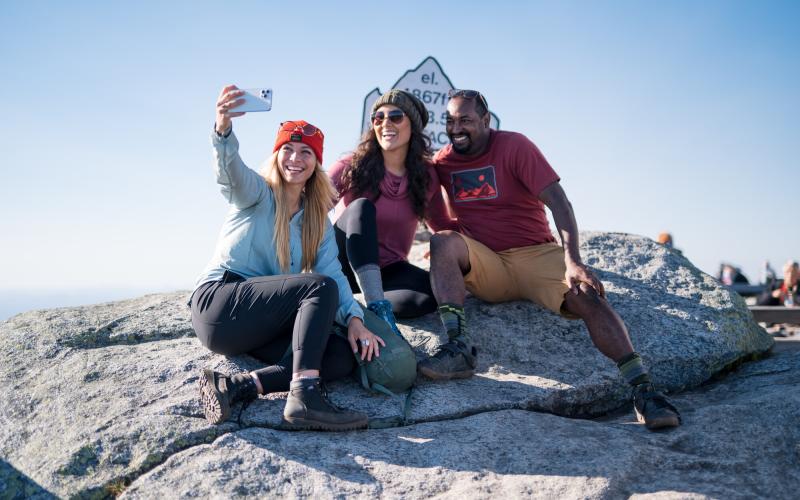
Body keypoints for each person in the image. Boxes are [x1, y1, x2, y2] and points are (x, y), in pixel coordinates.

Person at [418, 89, 681, 430]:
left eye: (465, 120)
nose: (456, 128)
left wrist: (573, 260)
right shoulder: (443, 162)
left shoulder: (514, 146)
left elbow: (559, 202)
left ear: (486, 120)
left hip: (536, 253)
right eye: (450, 121)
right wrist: (452, 252)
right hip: (489, 265)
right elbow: (437, 221)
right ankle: (458, 349)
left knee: (587, 295)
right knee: (442, 243)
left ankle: (644, 393)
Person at [191, 85, 385, 431]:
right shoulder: (257, 194)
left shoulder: (316, 222)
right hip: (220, 304)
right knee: (316, 288)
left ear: (317, 163)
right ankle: (305, 399)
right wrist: (223, 129)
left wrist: (355, 319)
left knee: (339, 356)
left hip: (259, 322)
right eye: (288, 150)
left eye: (306, 153)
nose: (295, 159)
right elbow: (229, 173)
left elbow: (334, 275)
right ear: (277, 155)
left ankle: (238, 386)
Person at [328, 90, 456, 334]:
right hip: (341, 263)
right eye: (378, 117)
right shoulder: (350, 166)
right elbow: (311, 209)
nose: (385, 123)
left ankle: (360, 306)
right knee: (361, 208)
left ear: (413, 126)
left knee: (431, 294)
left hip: (389, 269)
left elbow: (442, 225)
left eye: (396, 116)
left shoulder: (426, 175)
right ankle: (369, 301)